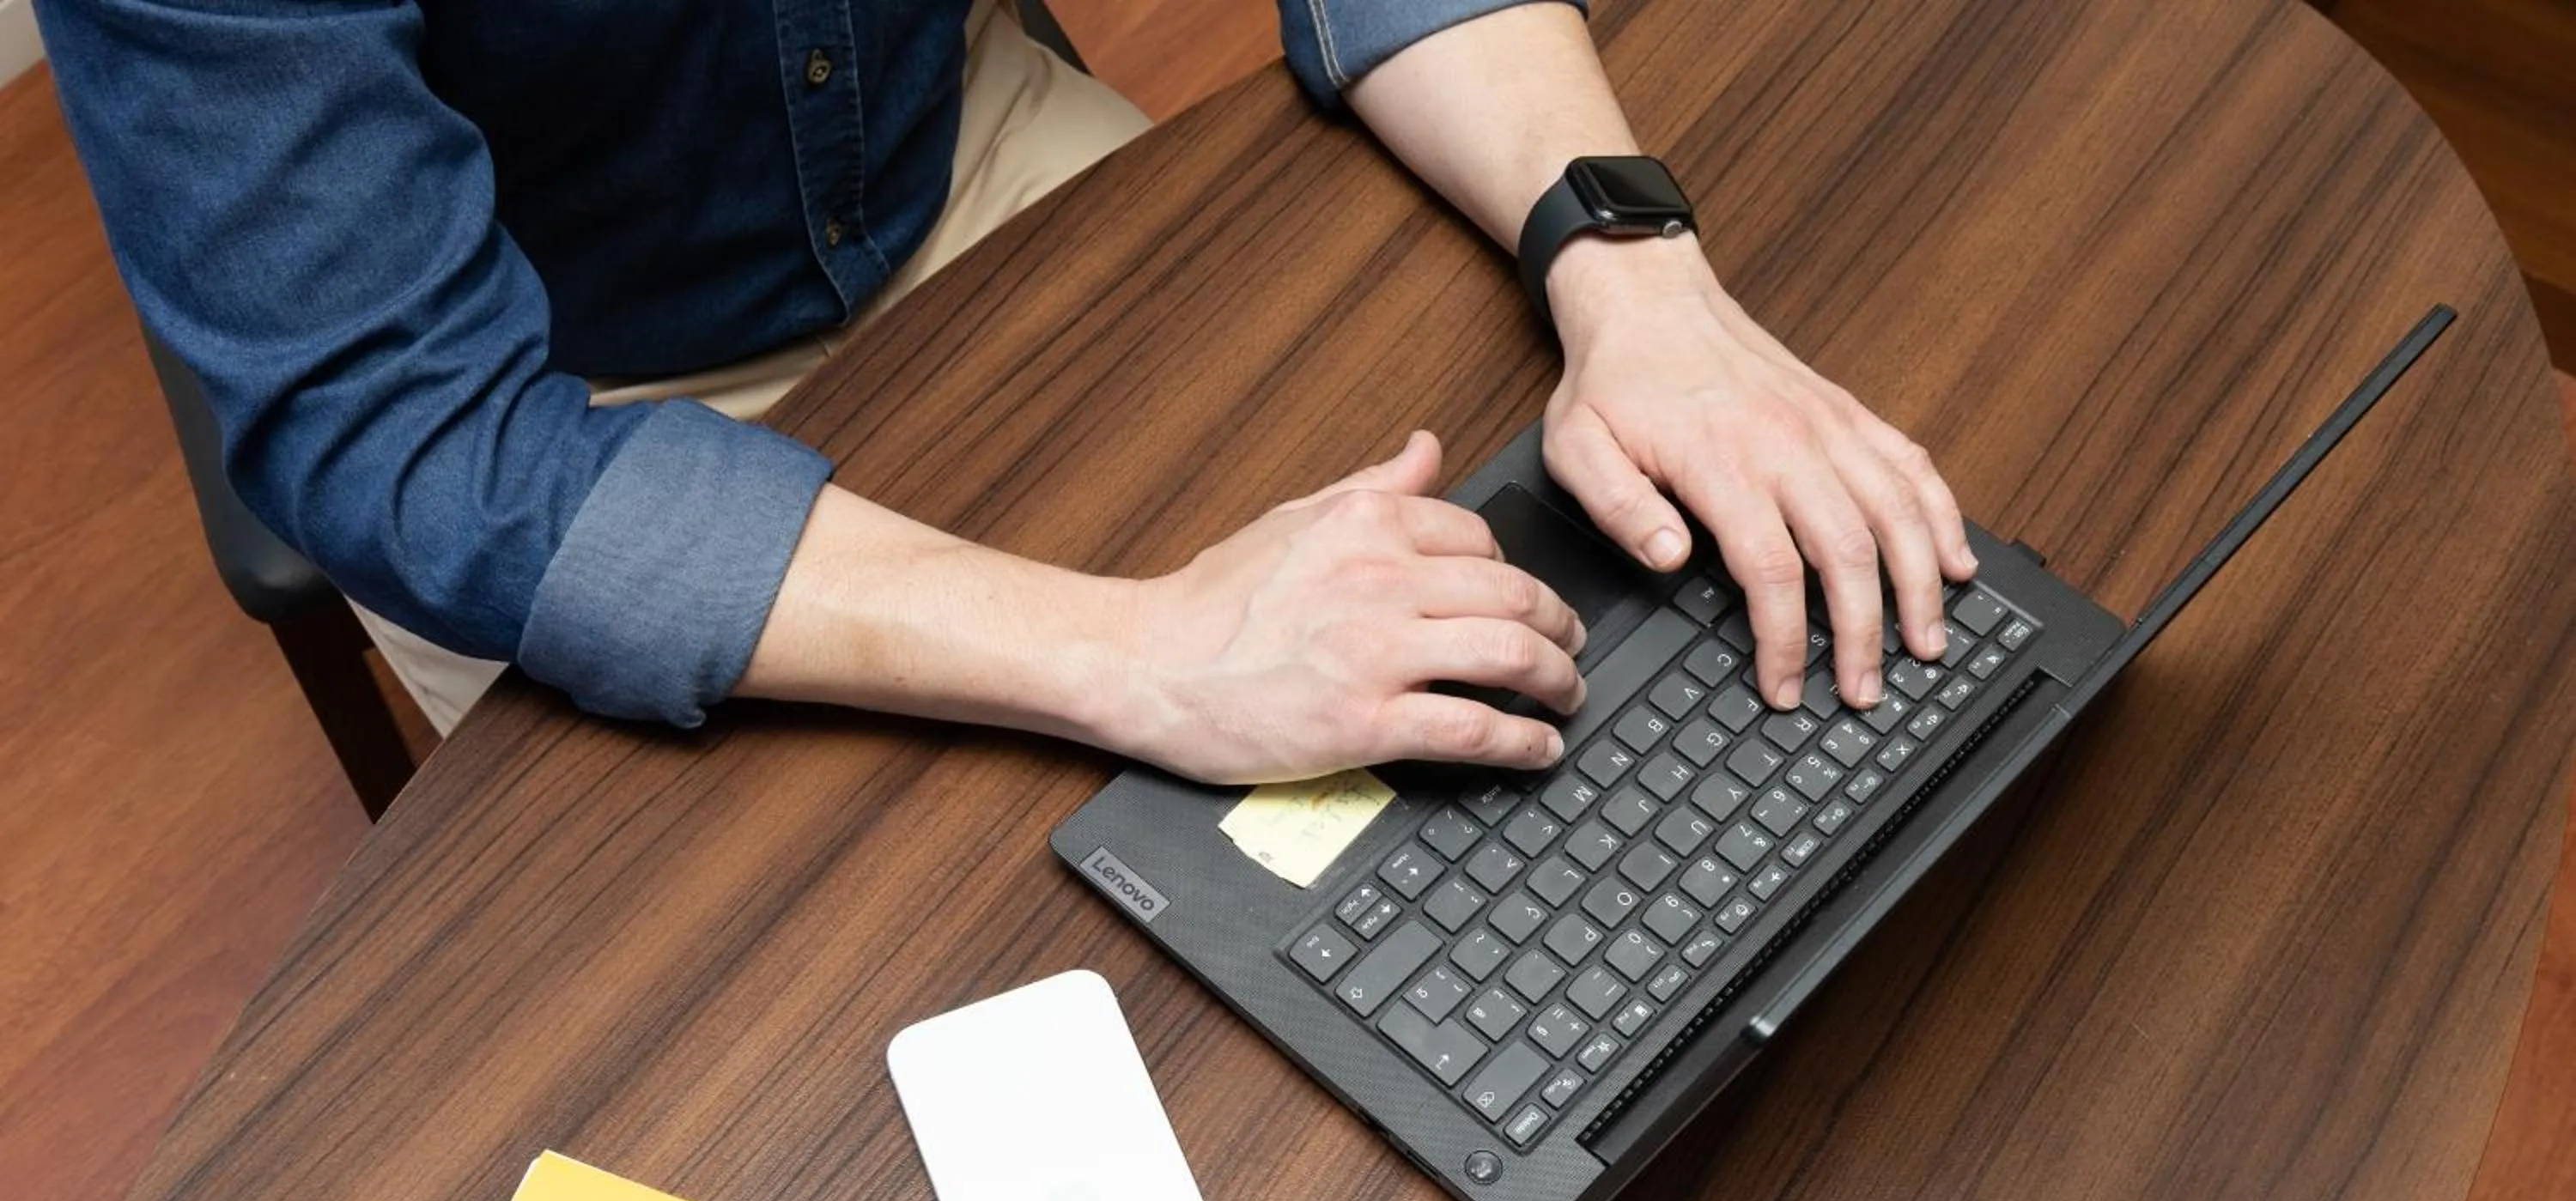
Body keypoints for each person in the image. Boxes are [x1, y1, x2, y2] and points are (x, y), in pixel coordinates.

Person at [42, 0, 1976, 784]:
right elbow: (408, 426)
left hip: (962, 145)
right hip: (572, 408)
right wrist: (1139, 650)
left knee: (1560, 754)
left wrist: (1626, 262)